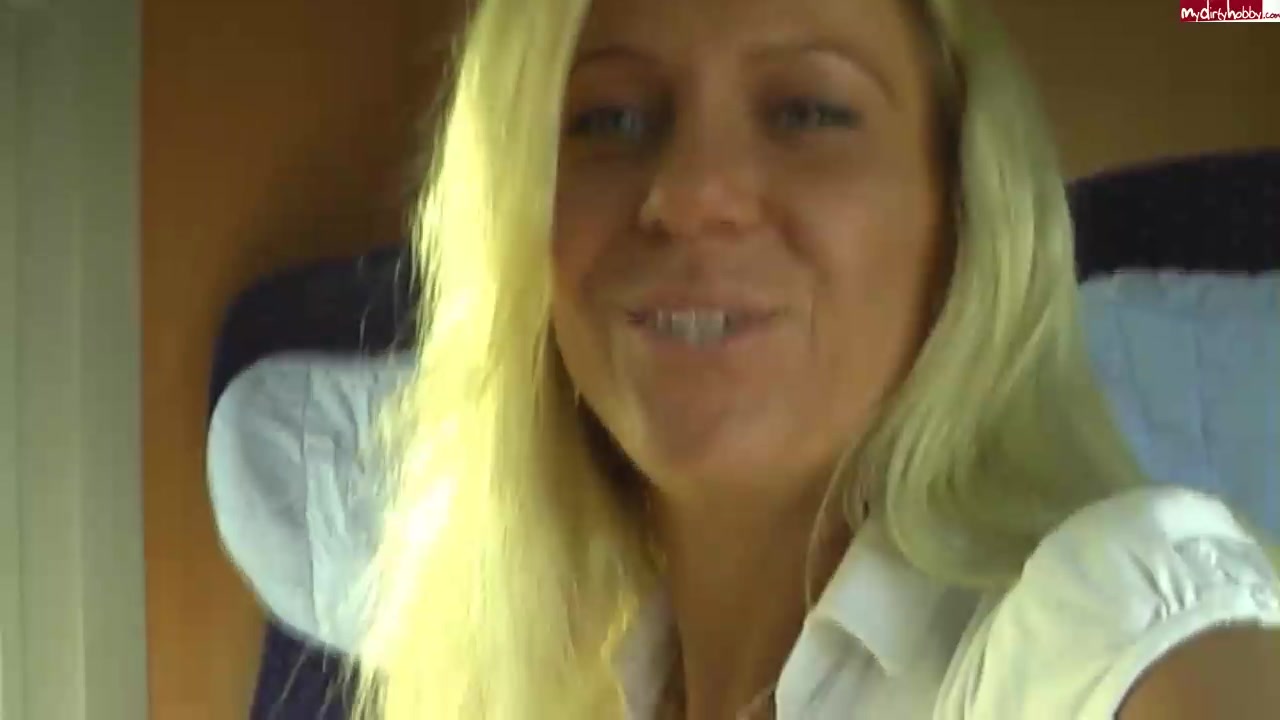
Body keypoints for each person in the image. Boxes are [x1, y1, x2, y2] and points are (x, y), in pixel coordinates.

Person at [353, 0, 1280, 717]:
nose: (693, 193)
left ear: (962, 213)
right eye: (612, 119)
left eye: (806, 111)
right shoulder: (520, 689)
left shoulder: (1107, 632)